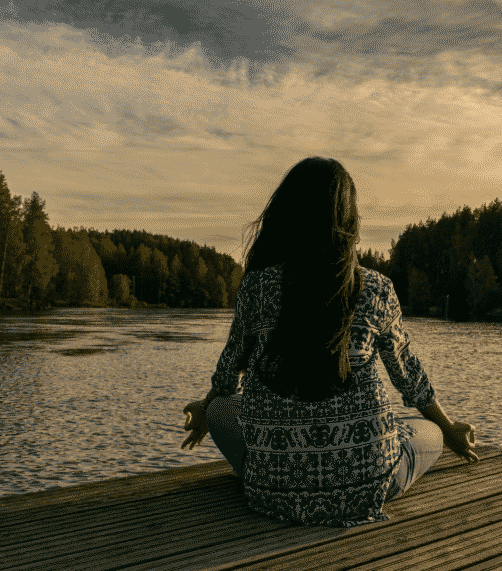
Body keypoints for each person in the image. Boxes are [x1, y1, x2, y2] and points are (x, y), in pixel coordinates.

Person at [180, 157, 478, 527]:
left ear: (285, 215)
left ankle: (276, 469)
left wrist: (206, 407)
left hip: (272, 493)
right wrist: (449, 429)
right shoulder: (377, 288)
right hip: (369, 486)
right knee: (427, 430)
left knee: (223, 408)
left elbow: (228, 375)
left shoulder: (256, 287)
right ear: (349, 220)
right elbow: (409, 377)